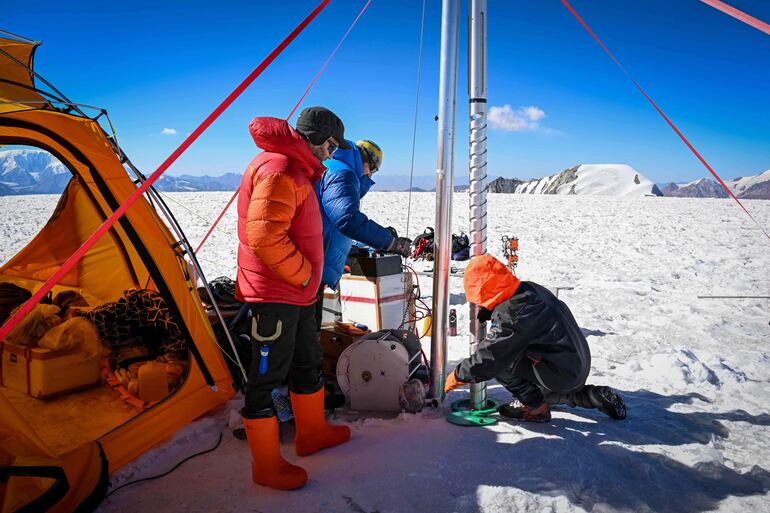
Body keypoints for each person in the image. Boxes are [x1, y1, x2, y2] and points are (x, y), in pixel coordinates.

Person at [235, 106, 352, 491]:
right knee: (266, 375)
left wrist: (308, 282)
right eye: (330, 145)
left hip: (297, 292)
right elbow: (264, 235)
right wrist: (304, 275)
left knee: (307, 360)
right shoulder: (281, 169)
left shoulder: (296, 168)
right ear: (317, 138)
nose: (331, 154)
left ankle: (312, 432)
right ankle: (266, 465)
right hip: (278, 293)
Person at [444, 255, 626, 422]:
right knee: (526, 370)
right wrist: (492, 310)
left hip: (562, 372)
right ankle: (593, 396)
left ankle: (536, 408)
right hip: (574, 362)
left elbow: (490, 358)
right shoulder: (529, 289)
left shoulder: (512, 313)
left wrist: (456, 376)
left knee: (500, 364)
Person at [315, 138, 411, 325]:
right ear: (365, 162)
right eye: (372, 169)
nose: (370, 175)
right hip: (313, 267)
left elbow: (330, 220)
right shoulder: (343, 173)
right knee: (308, 334)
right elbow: (346, 219)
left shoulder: (332, 167)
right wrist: (391, 242)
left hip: (312, 263)